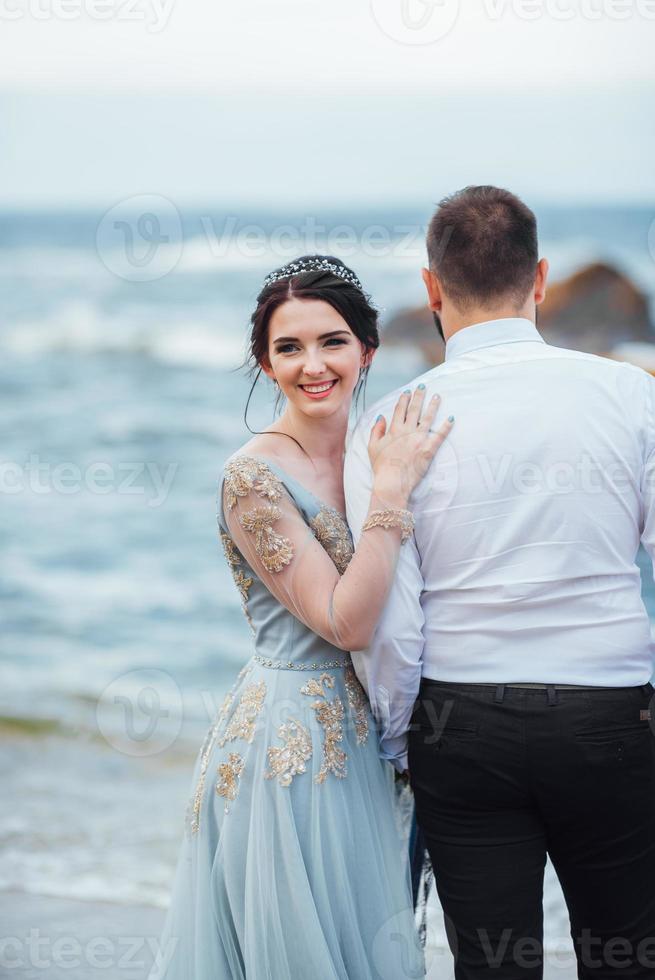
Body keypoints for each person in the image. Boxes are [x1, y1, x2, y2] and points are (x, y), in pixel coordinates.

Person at [345, 185, 655, 978]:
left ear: (430, 287)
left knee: (491, 967)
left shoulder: (394, 420)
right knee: (628, 957)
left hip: (462, 721)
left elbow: (393, 614)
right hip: (614, 715)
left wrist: (396, 734)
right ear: (542, 277)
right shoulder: (631, 395)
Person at [148, 254, 454, 980]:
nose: (312, 365)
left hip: (372, 735)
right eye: (288, 347)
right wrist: (393, 495)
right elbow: (343, 624)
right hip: (292, 744)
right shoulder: (252, 478)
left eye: (332, 342)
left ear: (366, 351)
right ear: (264, 362)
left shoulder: (371, 453)